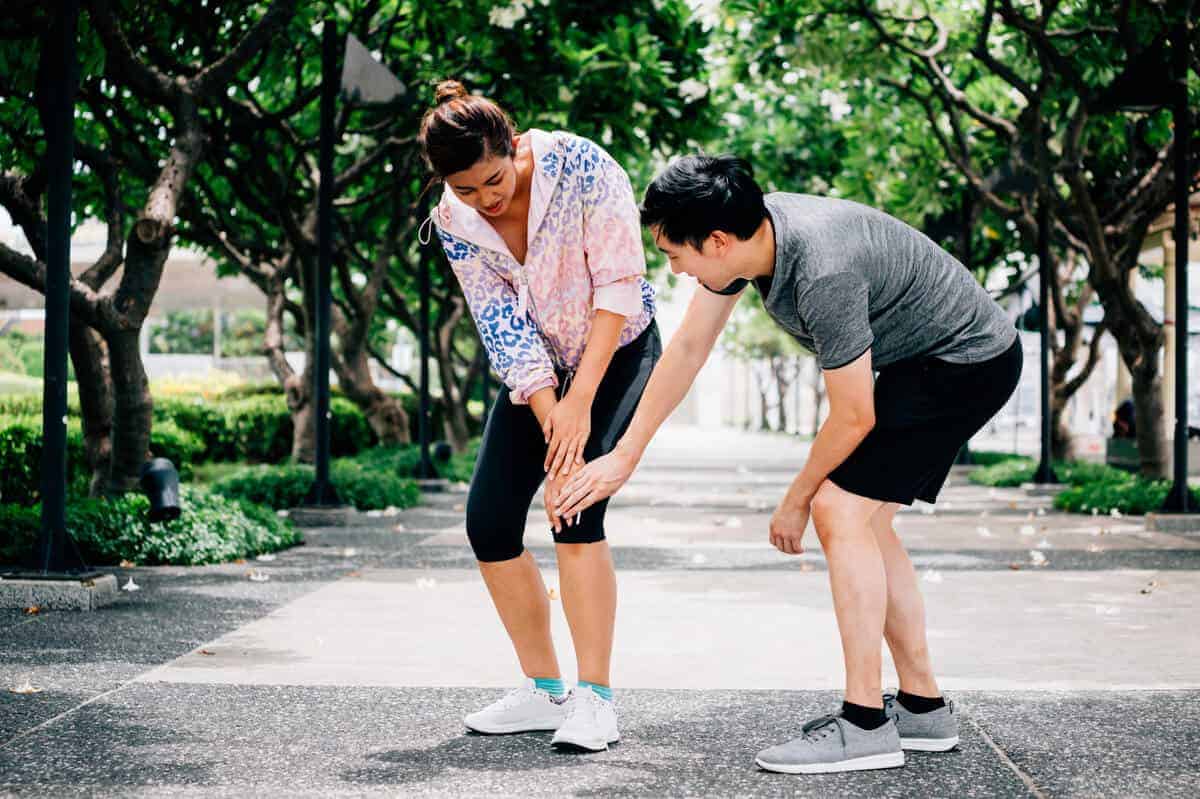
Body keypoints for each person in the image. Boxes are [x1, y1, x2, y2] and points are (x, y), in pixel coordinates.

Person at [554, 155, 1022, 774]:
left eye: (674, 254)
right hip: (924, 362)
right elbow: (689, 349)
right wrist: (624, 454)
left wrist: (797, 499)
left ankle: (864, 726)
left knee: (838, 510)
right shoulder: (747, 242)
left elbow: (853, 415)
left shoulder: (822, 271)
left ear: (716, 242)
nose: (674, 268)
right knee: (867, 523)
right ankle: (922, 707)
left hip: (966, 362)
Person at [418, 80, 661, 752]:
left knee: (573, 505)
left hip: (619, 347)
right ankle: (544, 690)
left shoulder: (584, 166)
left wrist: (581, 404)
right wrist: (552, 409)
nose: (486, 200)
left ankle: (596, 699)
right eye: (466, 189)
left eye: (493, 180)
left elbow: (620, 284)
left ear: (514, 143)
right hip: (541, 372)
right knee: (489, 521)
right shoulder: (454, 219)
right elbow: (499, 321)